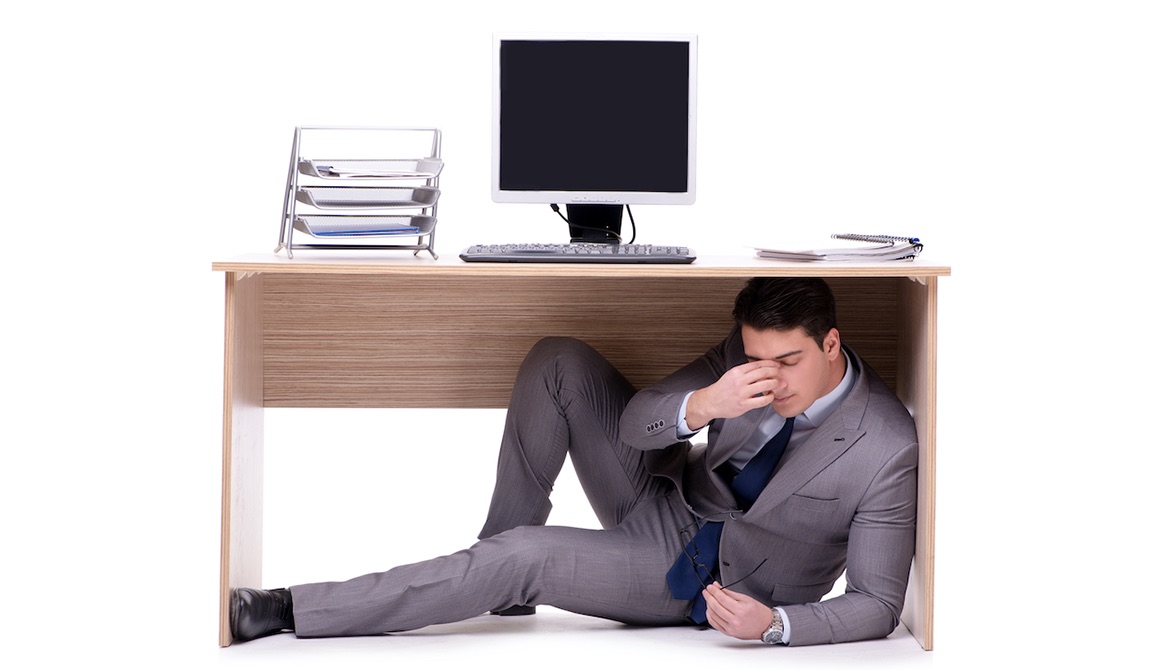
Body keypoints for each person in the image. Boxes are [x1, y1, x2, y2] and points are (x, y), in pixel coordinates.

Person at [231, 277, 918, 647]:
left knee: (524, 552)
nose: (769, 377)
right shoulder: (746, 362)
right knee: (560, 360)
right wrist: (705, 402)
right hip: (664, 500)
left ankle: (293, 609)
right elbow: (637, 422)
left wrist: (775, 626)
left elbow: (879, 604)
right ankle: (497, 576)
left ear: (832, 344)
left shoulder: (887, 448)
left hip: (698, 576)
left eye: (789, 362)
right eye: (754, 358)